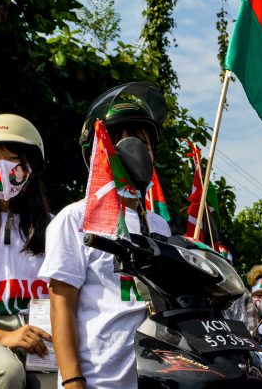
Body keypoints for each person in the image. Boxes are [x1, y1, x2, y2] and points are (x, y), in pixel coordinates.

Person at [39, 82, 172, 389]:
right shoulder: (74, 219)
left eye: (145, 143)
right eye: (123, 143)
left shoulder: (158, 225)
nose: (138, 151)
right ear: (98, 153)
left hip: (150, 376)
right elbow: (62, 305)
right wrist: (73, 380)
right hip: (98, 379)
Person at [0, 114, 52, 389]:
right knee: (4, 373)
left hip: (38, 334)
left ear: (31, 167)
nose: (2, 167)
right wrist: (4, 337)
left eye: (13, 158)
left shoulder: (56, 228)